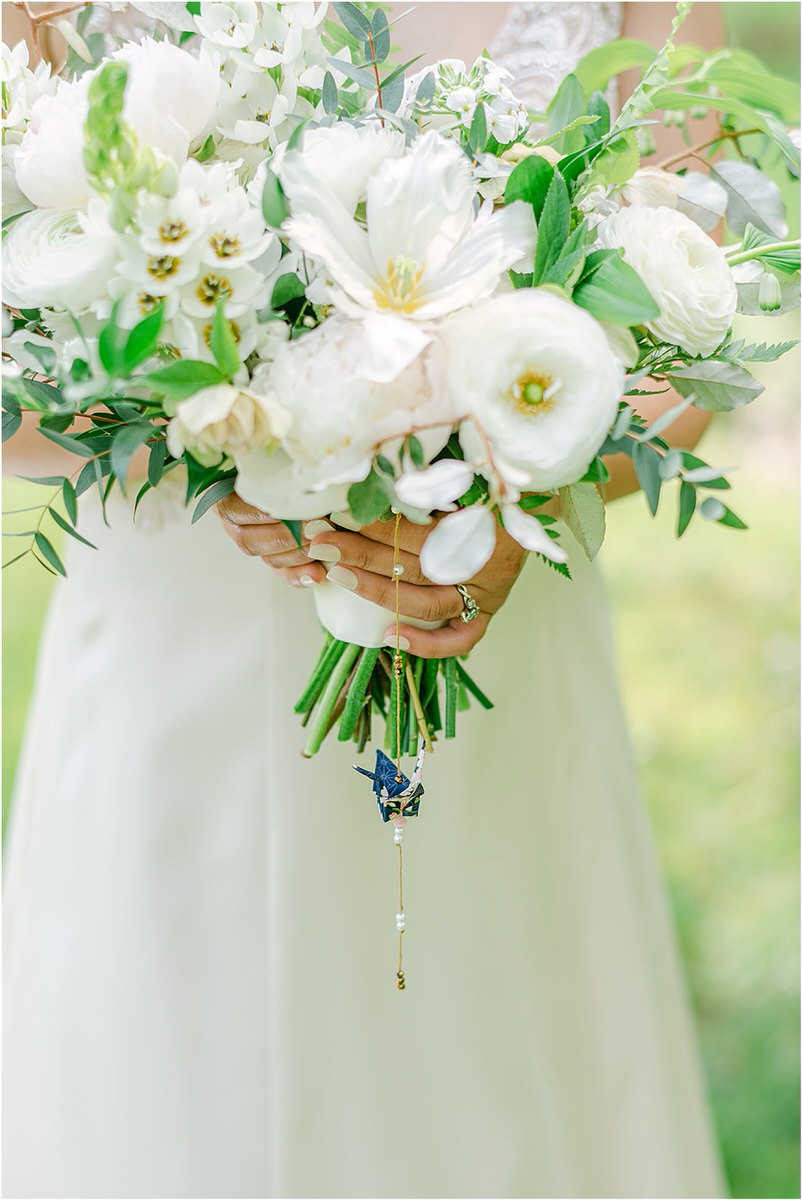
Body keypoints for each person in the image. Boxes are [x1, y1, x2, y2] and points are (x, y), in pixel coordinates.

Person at [3, 3, 729, 1196]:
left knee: (501, 1074)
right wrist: (232, 434)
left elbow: (689, 324)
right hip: (180, 674)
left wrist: (520, 499)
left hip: (503, 653)